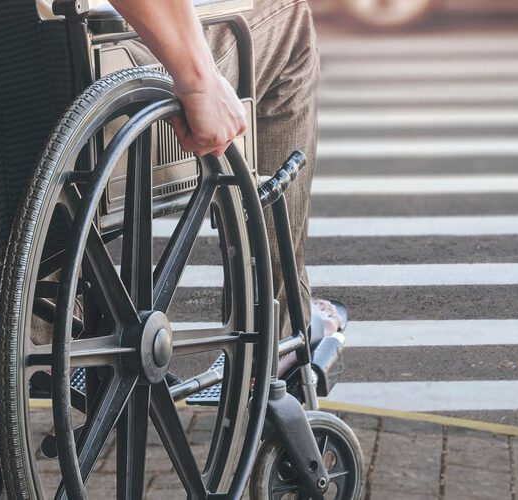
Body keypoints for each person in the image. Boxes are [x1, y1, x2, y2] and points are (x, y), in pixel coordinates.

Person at [100, 0, 346, 370]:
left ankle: (48, 327)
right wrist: (199, 81)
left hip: (1, 103)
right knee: (289, 18)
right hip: (96, 84)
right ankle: (274, 337)